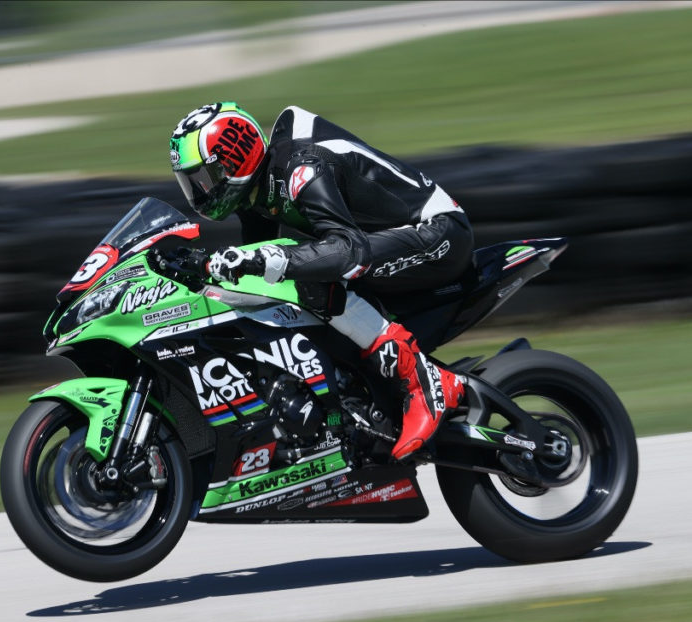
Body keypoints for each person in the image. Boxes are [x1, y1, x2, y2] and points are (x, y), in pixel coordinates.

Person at [167, 102, 474, 460]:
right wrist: (199, 273)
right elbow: (254, 268)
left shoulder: (303, 167)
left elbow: (347, 251)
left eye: (205, 178)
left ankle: (425, 381)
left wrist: (263, 259)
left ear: (236, 158)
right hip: (384, 241)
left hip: (438, 233)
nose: (202, 192)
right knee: (282, 292)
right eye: (191, 183)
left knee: (315, 280)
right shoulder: (256, 193)